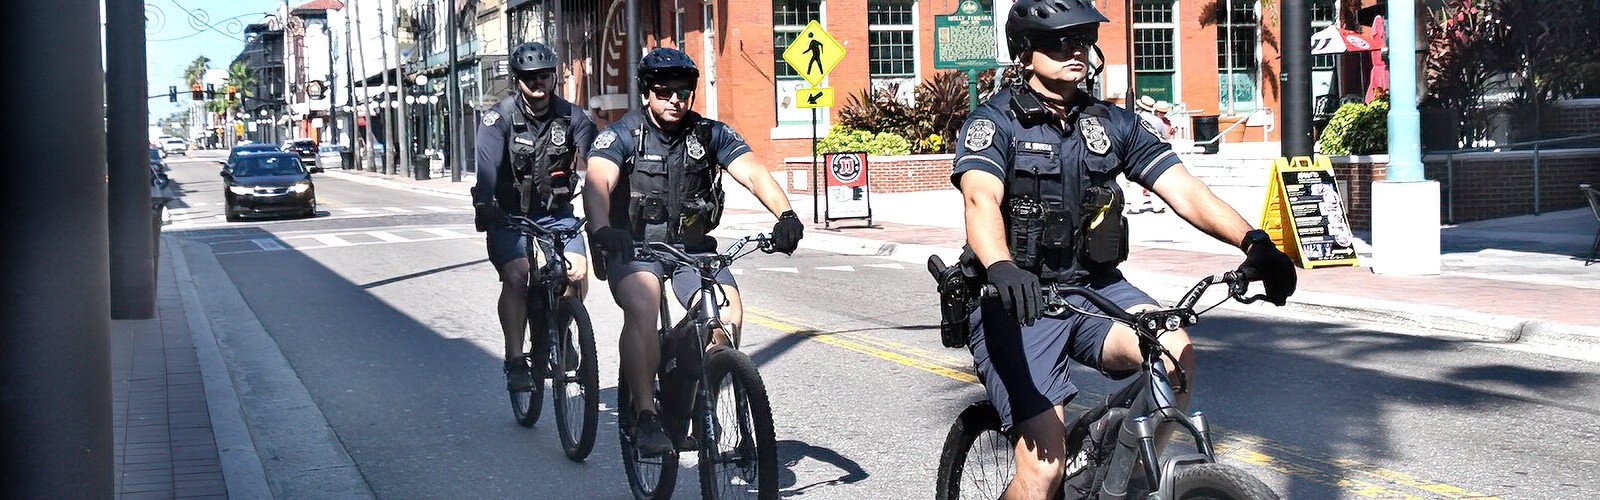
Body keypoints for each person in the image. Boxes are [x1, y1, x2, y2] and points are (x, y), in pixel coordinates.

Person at [950, 1, 1298, 498]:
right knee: (1044, 469)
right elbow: (980, 198)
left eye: (1083, 40)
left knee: (1175, 351)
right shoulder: (994, 123)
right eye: (1059, 42)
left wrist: (1255, 242)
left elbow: (1185, 190)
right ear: (1025, 53)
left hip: (1094, 293)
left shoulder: (1111, 123)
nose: (1076, 51)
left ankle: (1128, 477)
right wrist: (1001, 266)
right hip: (1017, 302)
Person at [584, 47, 804, 457]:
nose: (674, 100)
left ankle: (705, 394)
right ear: (647, 92)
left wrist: (786, 214)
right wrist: (601, 229)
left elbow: (753, 172)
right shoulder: (621, 135)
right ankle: (647, 415)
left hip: (693, 250)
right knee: (644, 306)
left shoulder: (709, 134)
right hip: (635, 248)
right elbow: (597, 182)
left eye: (683, 92)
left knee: (728, 310)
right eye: (664, 91)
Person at [471, 41, 598, 392]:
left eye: (544, 75)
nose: (538, 82)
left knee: (576, 272)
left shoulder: (575, 117)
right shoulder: (498, 119)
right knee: (516, 274)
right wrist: (484, 203)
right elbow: (487, 168)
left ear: (553, 76)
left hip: (556, 213)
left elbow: (597, 166)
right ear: (517, 80)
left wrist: (608, 204)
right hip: (509, 214)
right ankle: (515, 359)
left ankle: (562, 328)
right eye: (530, 77)